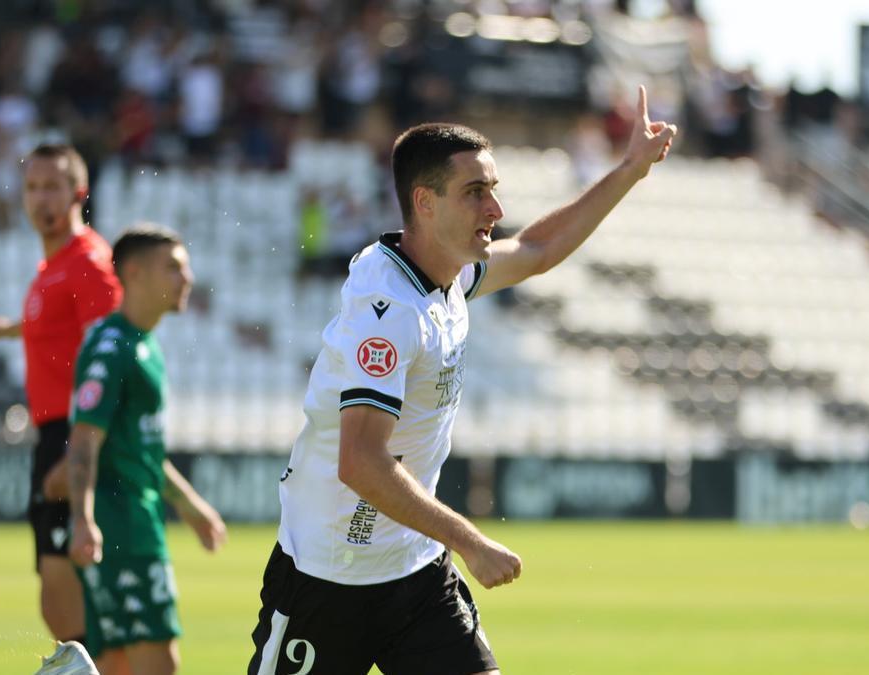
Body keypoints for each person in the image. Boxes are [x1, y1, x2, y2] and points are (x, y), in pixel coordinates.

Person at [248, 85, 676, 674]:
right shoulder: (389, 309)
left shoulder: (449, 275)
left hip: (416, 574)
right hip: (329, 576)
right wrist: (470, 541)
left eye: (493, 190)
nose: (494, 210)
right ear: (424, 202)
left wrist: (629, 169)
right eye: (476, 193)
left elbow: (538, 247)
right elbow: (362, 463)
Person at [0, 144, 121, 646]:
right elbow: (67, 329)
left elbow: (112, 354)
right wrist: (17, 329)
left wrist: (84, 446)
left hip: (75, 432)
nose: (41, 198)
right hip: (54, 433)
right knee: (59, 600)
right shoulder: (52, 268)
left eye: (53, 185)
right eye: (32, 187)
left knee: (70, 599)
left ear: (79, 191)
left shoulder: (88, 263)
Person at [67, 226, 227, 675]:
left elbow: (145, 452)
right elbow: (83, 442)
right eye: (173, 266)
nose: (187, 277)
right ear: (134, 273)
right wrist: (83, 519)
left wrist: (191, 507)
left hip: (131, 522)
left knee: (114, 664)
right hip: (123, 531)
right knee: (158, 664)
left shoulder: (145, 346)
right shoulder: (113, 348)